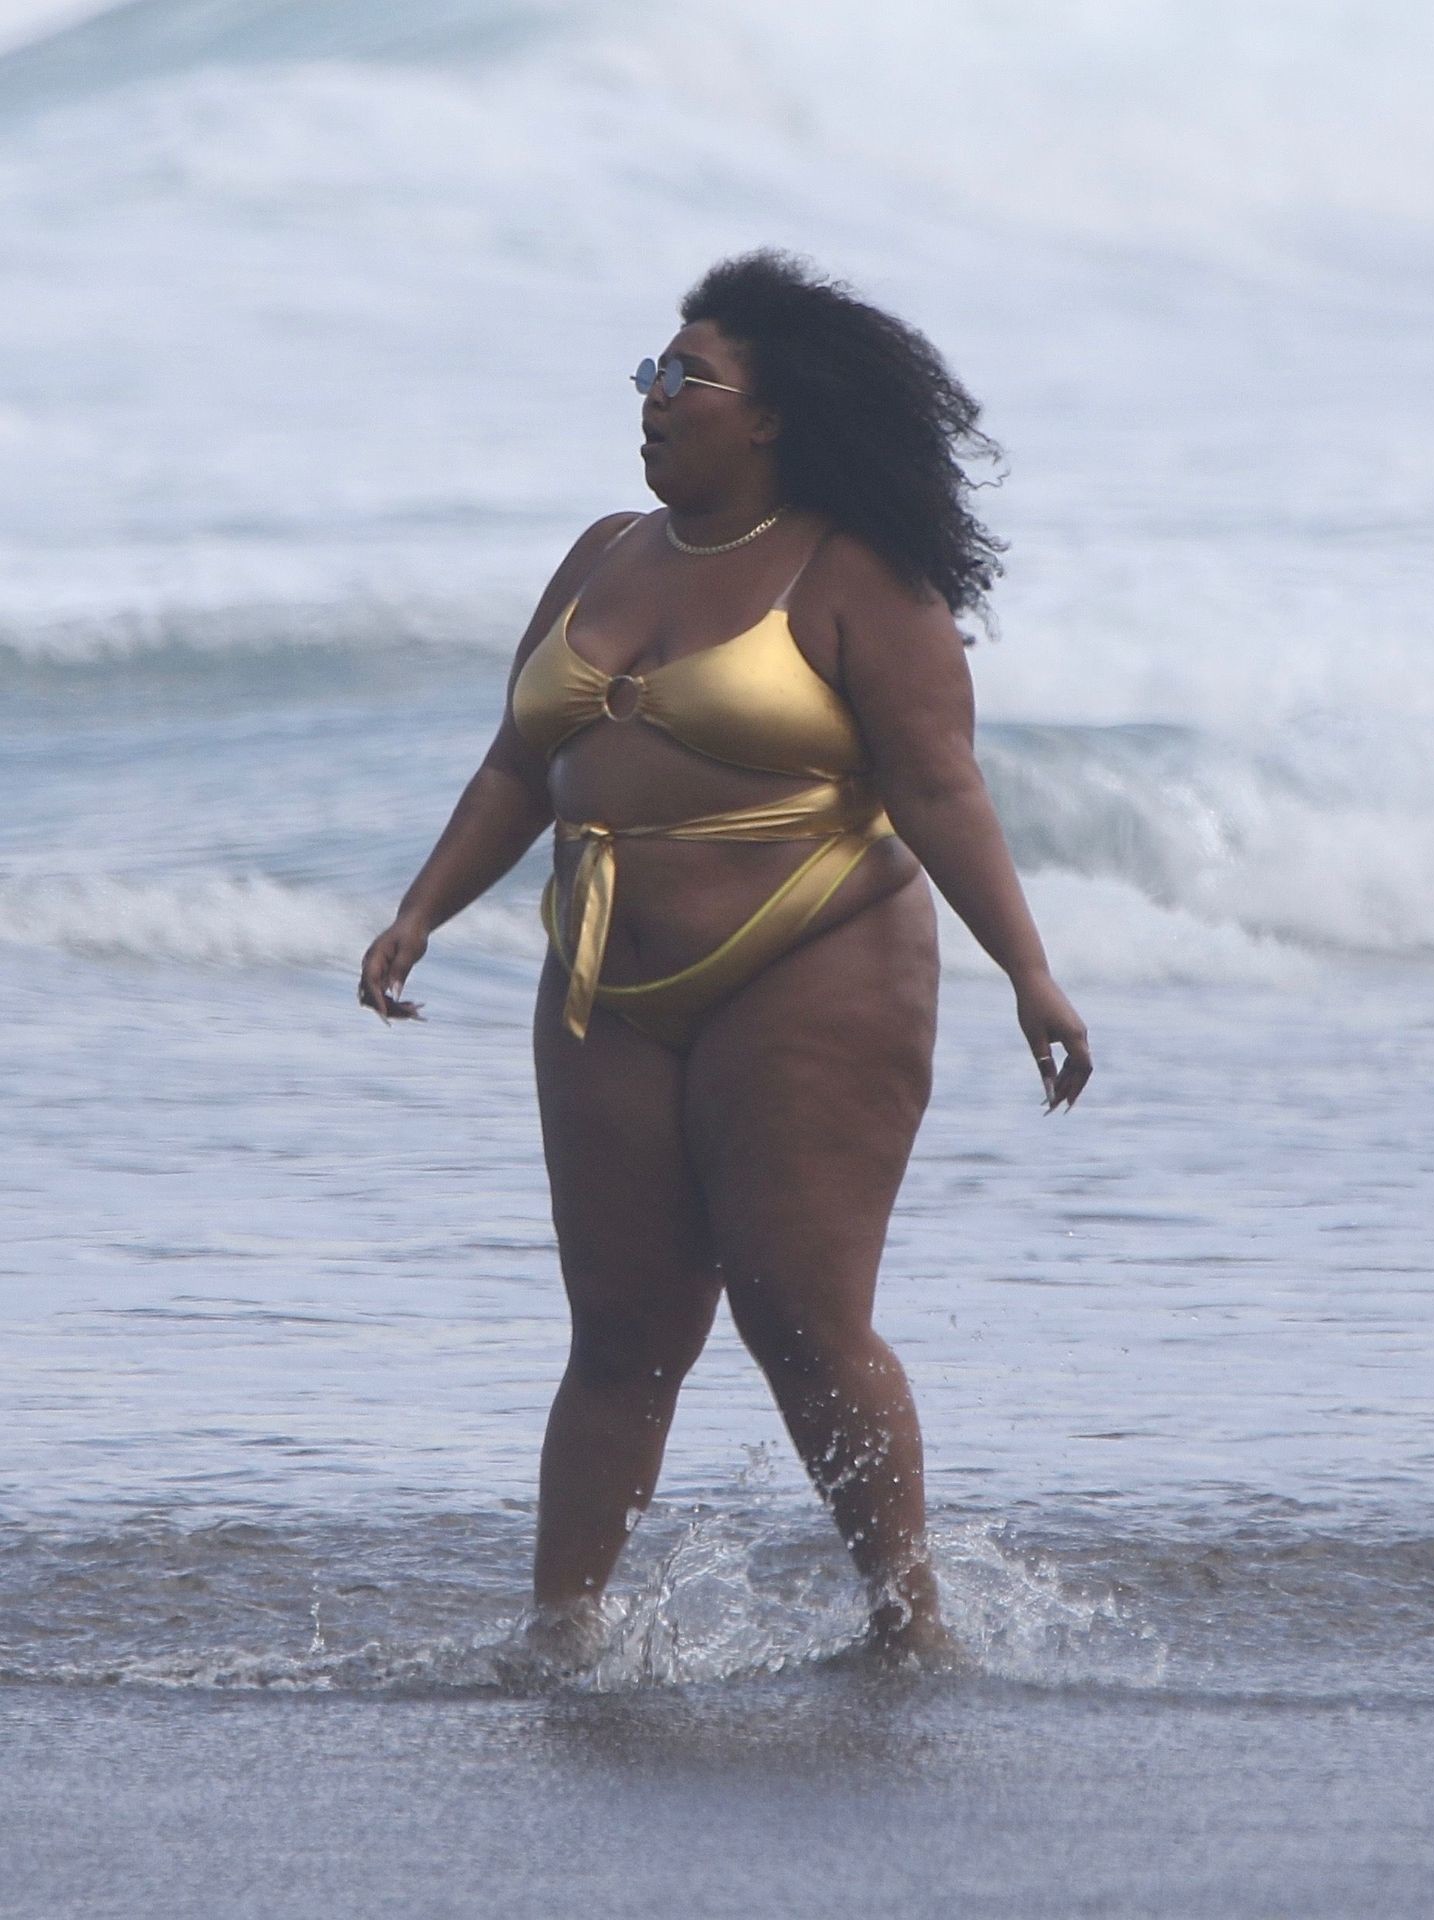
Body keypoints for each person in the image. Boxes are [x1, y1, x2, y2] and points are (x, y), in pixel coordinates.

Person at [358, 249, 1092, 1667]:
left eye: (687, 375)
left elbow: (939, 786)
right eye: (653, 369)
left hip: (815, 962)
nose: (654, 394)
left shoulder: (854, 573)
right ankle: (560, 1639)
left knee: (801, 1318)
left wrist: (1029, 972)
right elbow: (517, 763)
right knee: (620, 1330)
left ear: (769, 416)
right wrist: (421, 910)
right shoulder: (602, 552)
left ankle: (910, 1628)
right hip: (605, 983)